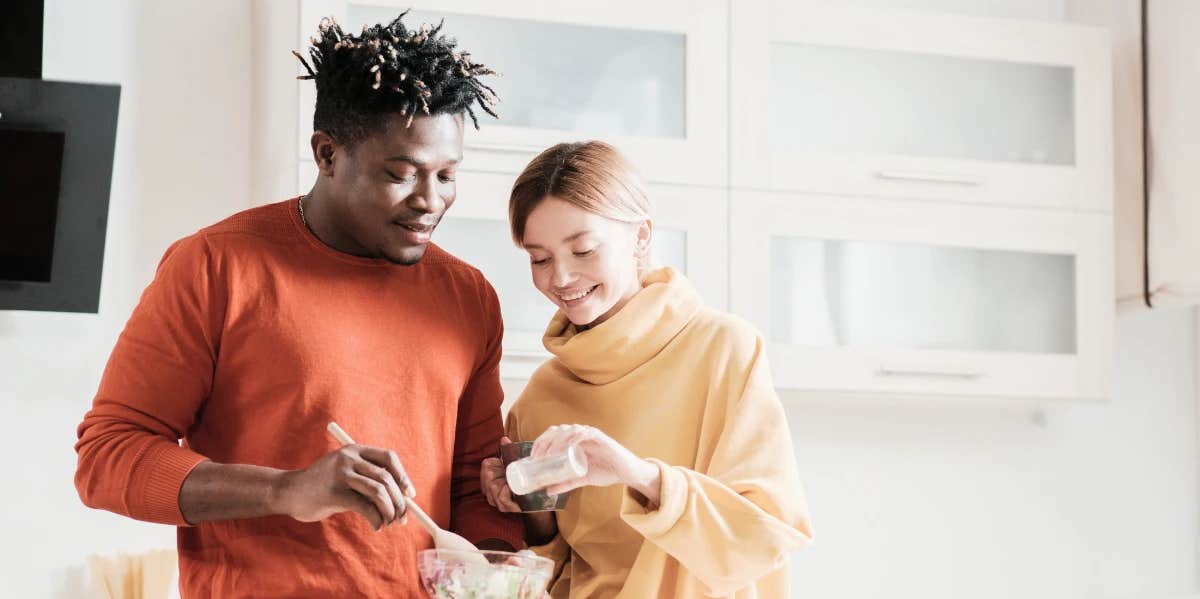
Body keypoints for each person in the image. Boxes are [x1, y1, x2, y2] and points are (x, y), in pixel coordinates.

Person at [74, 13, 521, 597]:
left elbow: (473, 489)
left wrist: (501, 564)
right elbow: (107, 457)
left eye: (446, 174)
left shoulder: (469, 298)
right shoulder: (216, 266)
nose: (430, 200)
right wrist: (286, 490)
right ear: (328, 153)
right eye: (401, 174)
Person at [480, 140, 814, 597]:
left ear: (640, 236)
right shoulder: (542, 395)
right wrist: (532, 512)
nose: (559, 278)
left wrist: (637, 475)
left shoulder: (724, 349)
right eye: (540, 258)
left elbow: (764, 535)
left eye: (583, 250)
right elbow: (550, 573)